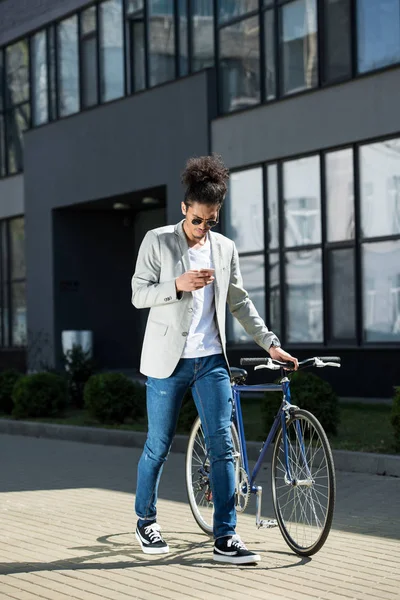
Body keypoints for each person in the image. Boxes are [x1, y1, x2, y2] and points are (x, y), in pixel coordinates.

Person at [131, 154, 298, 565]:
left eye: (211, 220)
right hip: (167, 363)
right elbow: (138, 294)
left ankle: (226, 536)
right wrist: (177, 283)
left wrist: (270, 343)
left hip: (210, 361)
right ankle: (145, 520)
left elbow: (238, 302)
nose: (203, 228)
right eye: (197, 219)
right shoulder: (157, 240)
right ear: (185, 209)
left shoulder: (224, 249)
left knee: (224, 446)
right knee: (158, 444)